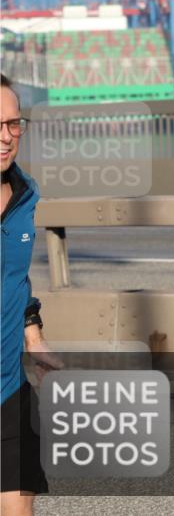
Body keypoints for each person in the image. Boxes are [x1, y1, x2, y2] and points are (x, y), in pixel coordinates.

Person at [2, 74, 61, 515]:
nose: (6, 138)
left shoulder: (26, 193)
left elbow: (16, 279)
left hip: (8, 392)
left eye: (13, 124)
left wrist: (34, 338)